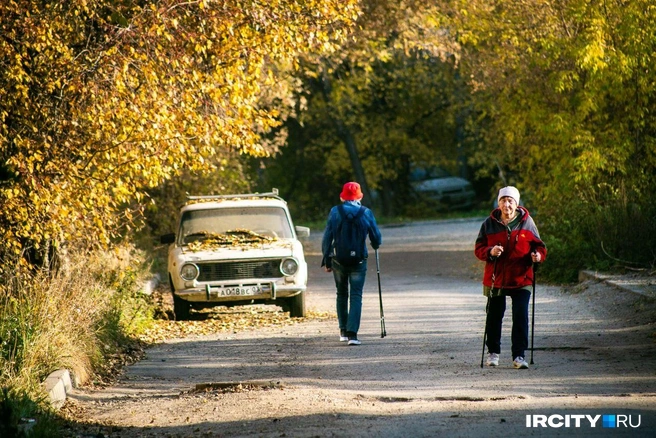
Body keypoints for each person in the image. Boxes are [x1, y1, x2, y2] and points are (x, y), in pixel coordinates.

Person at [475, 186, 547, 369]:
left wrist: (537, 256)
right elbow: (478, 249)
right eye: (503, 201)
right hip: (495, 278)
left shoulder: (527, 222)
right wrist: (490, 251)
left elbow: (540, 246)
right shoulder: (489, 224)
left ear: (516, 204)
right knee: (493, 316)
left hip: (521, 277)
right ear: (498, 203)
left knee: (520, 315)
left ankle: (519, 356)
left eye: (510, 201)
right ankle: (493, 353)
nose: (506, 205)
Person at [322, 182, 382, 346]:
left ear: (342, 196)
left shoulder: (335, 212)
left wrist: (327, 260)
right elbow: (376, 237)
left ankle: (342, 330)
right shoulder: (366, 212)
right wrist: (375, 245)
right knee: (356, 295)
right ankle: (352, 334)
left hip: (338, 260)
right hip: (359, 260)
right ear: (360, 196)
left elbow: (327, 237)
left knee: (341, 294)